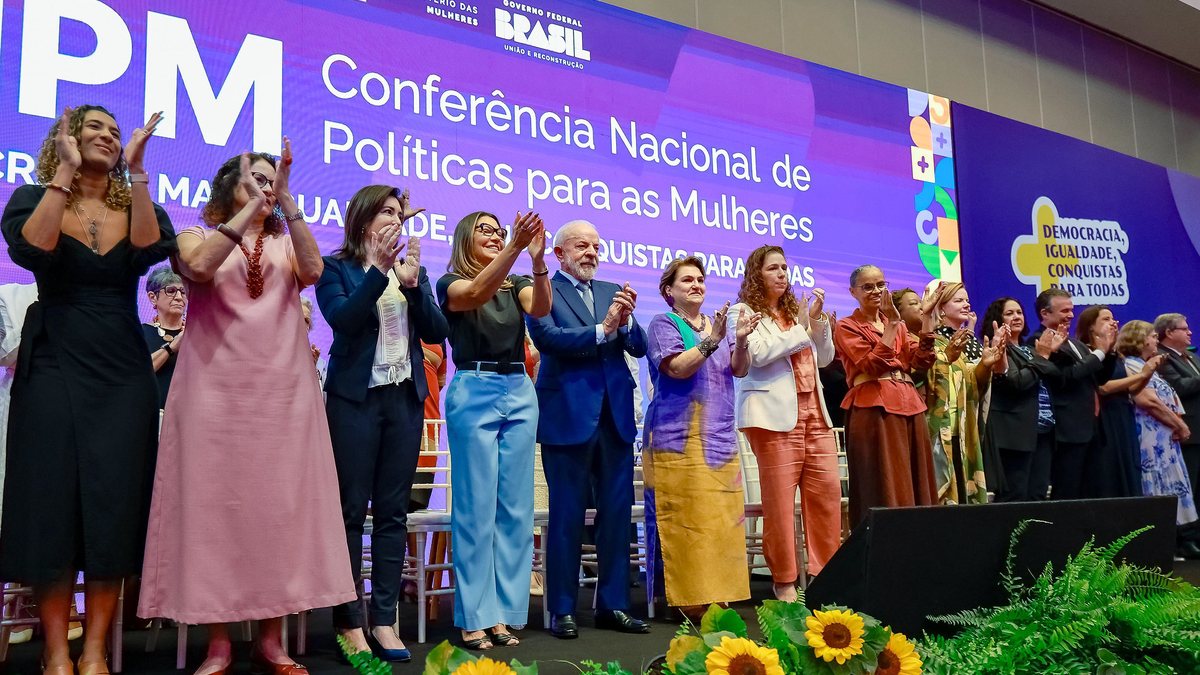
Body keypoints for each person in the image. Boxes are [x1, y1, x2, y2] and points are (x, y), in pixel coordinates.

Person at [139, 147, 355, 675]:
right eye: (253, 180)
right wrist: (247, 214)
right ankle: (218, 643)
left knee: (274, 515)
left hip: (282, 398)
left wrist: (289, 203)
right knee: (216, 515)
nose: (264, 188)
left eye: (270, 180)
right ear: (227, 189)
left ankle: (271, 641)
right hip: (213, 396)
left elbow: (312, 269)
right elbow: (199, 267)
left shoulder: (285, 241)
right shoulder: (195, 235)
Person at [0, 105, 175, 675]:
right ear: (68, 139)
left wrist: (139, 170)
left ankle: (96, 646)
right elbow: (32, 250)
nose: (107, 136)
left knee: (114, 504)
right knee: (50, 503)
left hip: (122, 370)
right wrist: (62, 175)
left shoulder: (137, 201)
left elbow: (151, 251)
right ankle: (55, 649)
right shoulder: (32, 196)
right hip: (52, 359)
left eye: (116, 132)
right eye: (94, 127)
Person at [314, 185, 449, 661]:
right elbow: (344, 320)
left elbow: (437, 331)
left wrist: (413, 288)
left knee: (394, 513)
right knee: (350, 511)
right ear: (363, 220)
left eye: (399, 212)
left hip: (404, 402)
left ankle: (385, 619)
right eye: (385, 212)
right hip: (354, 402)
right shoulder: (336, 268)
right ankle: (349, 621)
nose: (395, 219)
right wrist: (376, 268)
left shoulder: (413, 271)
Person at [526, 219, 649, 639]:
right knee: (566, 517)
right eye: (582, 246)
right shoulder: (542, 288)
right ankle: (562, 608)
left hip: (615, 418)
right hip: (567, 416)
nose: (592, 253)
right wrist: (604, 329)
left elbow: (639, 347)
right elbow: (548, 338)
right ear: (559, 253)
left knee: (616, 517)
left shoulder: (610, 290)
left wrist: (627, 322)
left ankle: (613, 604)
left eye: (597, 246)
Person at [436, 210, 550, 650]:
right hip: (475, 386)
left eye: (499, 231)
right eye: (485, 229)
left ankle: (503, 613)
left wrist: (537, 262)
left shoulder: (516, 278)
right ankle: (474, 615)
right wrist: (514, 247)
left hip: (519, 389)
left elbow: (539, 309)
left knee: (515, 510)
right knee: (475, 508)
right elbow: (475, 293)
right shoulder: (449, 281)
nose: (496, 235)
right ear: (466, 236)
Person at [642, 255, 758, 620]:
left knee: (720, 519)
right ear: (668, 291)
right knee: (684, 519)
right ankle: (684, 596)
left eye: (700, 280)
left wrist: (738, 341)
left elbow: (737, 370)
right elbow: (676, 368)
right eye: (687, 280)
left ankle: (718, 591)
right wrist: (714, 339)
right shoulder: (665, 323)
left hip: (720, 438)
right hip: (676, 437)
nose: (697, 285)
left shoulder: (716, 325)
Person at [728, 245, 836, 600]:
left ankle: (825, 575)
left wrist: (818, 324)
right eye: (773, 268)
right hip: (773, 419)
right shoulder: (741, 311)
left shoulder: (795, 313)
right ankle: (785, 580)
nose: (782, 274)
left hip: (814, 415)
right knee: (779, 503)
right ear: (757, 274)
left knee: (826, 498)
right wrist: (803, 328)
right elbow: (756, 356)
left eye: (785, 268)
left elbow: (824, 359)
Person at [834, 265, 938, 527]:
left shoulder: (900, 326)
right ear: (853, 292)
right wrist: (891, 325)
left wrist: (926, 319)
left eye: (881, 285)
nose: (877, 291)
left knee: (917, 481)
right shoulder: (847, 326)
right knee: (885, 480)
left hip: (908, 402)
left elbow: (921, 360)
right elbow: (871, 365)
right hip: (874, 404)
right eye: (868, 287)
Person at [1118, 320, 1200, 557]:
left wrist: (1176, 421)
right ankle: (1159, 544)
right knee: (1156, 487)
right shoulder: (1132, 365)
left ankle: (1176, 539)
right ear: (1140, 340)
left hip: (1164, 439)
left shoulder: (1147, 365)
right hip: (1150, 439)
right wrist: (1179, 423)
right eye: (1153, 336)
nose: (1156, 340)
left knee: (1171, 486)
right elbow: (1148, 401)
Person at [1027, 289, 1116, 499]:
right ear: (1045, 314)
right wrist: (1099, 352)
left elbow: (1098, 378)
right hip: (1066, 429)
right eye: (1064, 310)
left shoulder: (1074, 342)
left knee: (1091, 489)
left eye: (1071, 310)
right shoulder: (1040, 342)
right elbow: (1067, 376)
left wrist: (1108, 350)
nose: (1070, 315)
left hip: (1091, 427)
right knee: (1067, 490)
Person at [926, 282, 1005, 504]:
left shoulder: (964, 340)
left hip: (963, 424)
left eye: (967, 300)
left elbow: (970, 381)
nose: (966, 304)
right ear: (940, 308)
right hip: (939, 426)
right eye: (958, 300)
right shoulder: (933, 341)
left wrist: (985, 365)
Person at [980, 298, 1058, 501]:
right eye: (1009, 313)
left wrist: (1045, 356)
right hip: (1013, 433)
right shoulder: (999, 350)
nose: (1017, 317)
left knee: (1038, 494)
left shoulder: (1031, 349)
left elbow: (1053, 377)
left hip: (1041, 431)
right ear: (997, 319)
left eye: (1019, 312)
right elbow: (1015, 383)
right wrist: (1042, 358)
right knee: (1016, 495)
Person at [1078, 306, 1150, 497]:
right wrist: (1141, 374)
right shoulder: (1088, 353)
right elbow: (1103, 387)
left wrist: (1147, 375)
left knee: (1127, 466)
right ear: (1091, 327)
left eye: (1113, 318)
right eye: (1106, 319)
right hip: (1104, 418)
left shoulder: (1115, 356)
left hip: (1123, 415)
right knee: (1108, 469)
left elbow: (1132, 390)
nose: (1113, 322)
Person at [1155, 313, 1200, 499]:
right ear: (1169, 332)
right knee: (1191, 484)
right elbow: (1179, 387)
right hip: (1187, 431)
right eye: (1184, 329)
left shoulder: (1190, 355)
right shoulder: (1160, 357)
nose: (1190, 332)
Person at [142, 266, 186, 410]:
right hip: (149, 416)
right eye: (171, 291)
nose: (179, 297)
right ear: (152, 297)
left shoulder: (196, 334)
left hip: (188, 416)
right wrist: (171, 347)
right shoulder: (141, 333)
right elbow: (135, 374)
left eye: (183, 291)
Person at [299, 296, 327, 388]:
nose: (302, 325)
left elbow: (322, 399)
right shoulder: (273, 357)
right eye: (298, 318)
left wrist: (312, 369)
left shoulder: (320, 365)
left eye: (306, 321)